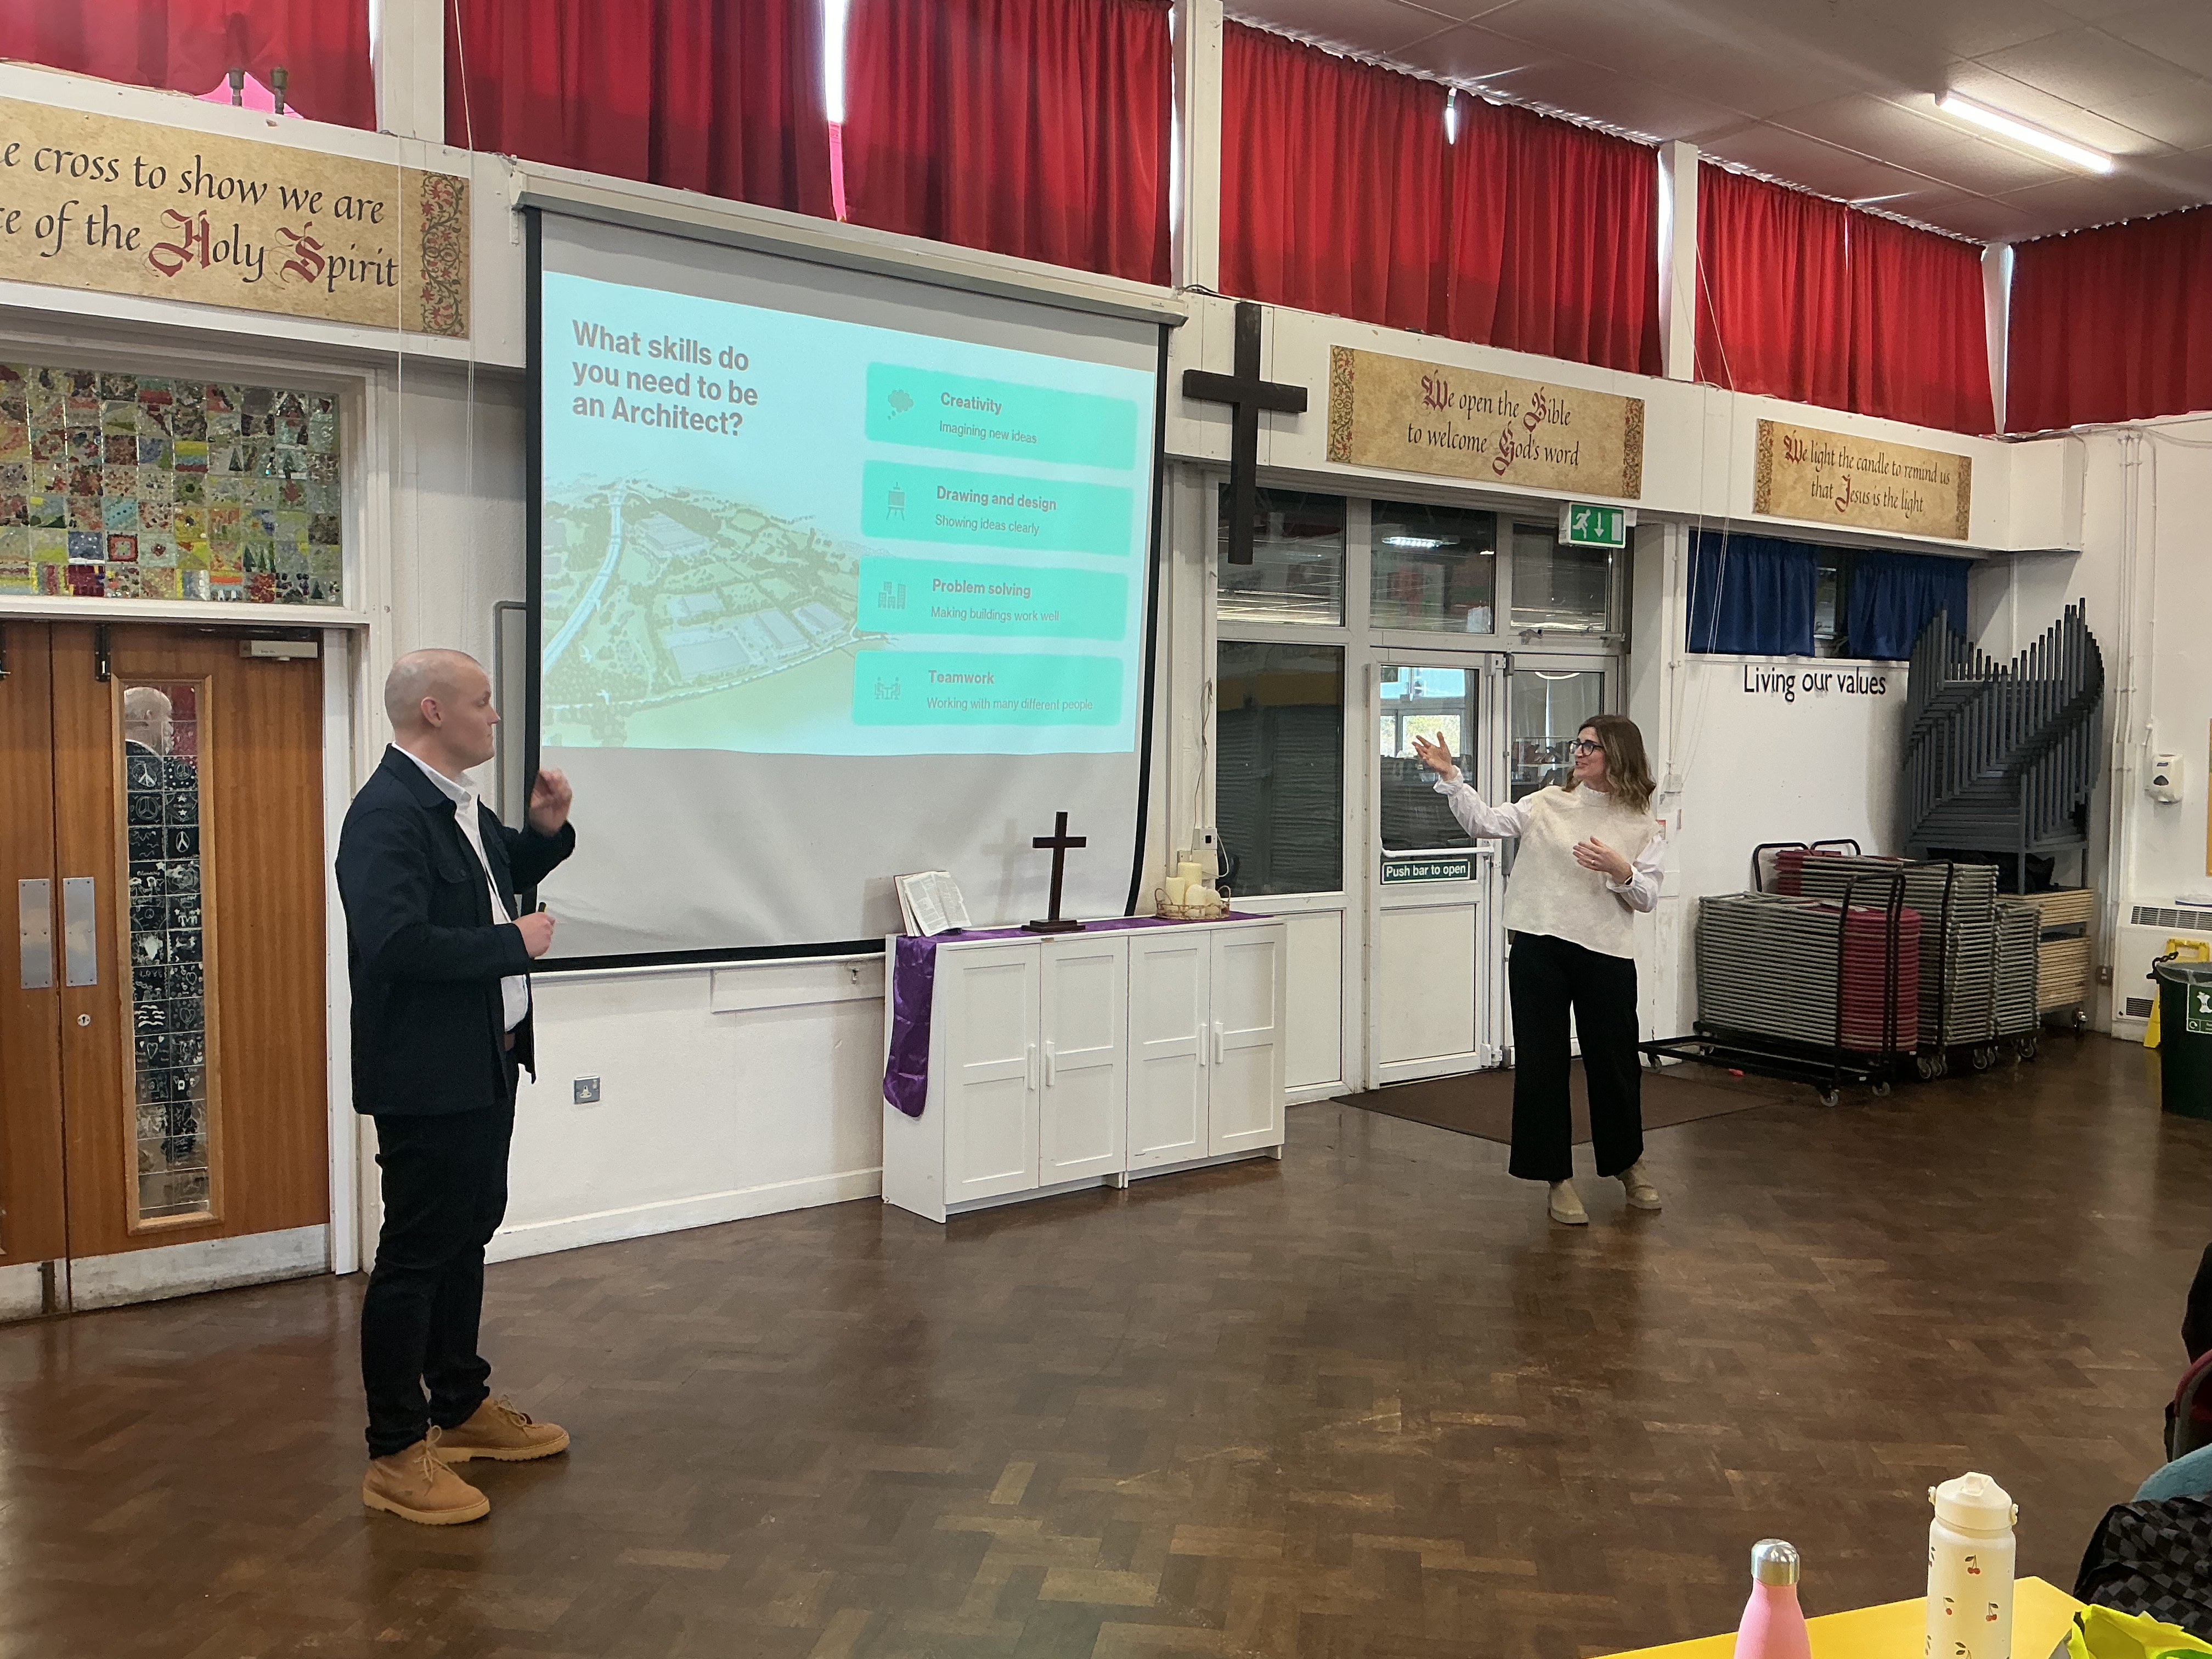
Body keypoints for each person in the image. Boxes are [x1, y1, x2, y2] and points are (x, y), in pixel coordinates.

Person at [336, 648, 577, 1525]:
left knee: (466, 1235)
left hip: (485, 1060)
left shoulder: (455, 808)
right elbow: (397, 943)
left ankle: (462, 1405)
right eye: (484, 702)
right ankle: (397, 1453)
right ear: (433, 711)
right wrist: (513, 943)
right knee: (415, 1257)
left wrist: (545, 834)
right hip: (426, 1076)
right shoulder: (386, 815)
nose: (495, 717)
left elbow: (496, 879)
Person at [1411, 715, 1666, 1226]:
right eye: (1578, 743)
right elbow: (1486, 823)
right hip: (1539, 945)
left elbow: (1648, 897)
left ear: (1618, 753)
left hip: (1605, 953)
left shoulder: (1641, 821)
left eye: (1591, 745)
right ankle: (1556, 1179)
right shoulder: (1547, 802)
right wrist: (1451, 778)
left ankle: (1627, 1163)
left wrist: (1622, 870)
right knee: (1542, 1064)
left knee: (1615, 1064)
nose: (1580, 752)